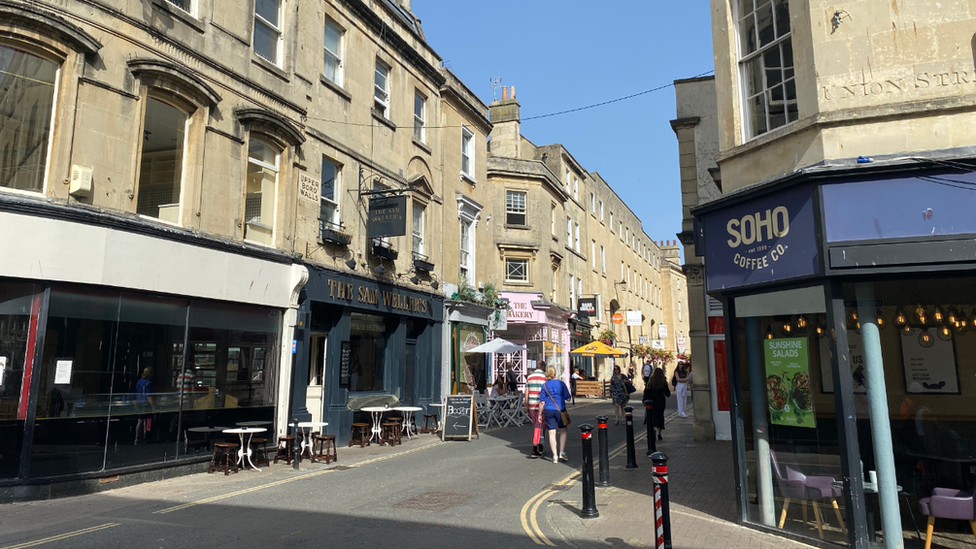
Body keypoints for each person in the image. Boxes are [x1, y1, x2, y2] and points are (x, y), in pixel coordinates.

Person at [539, 366, 571, 463]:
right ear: (555, 373)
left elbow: (542, 402)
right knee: (563, 431)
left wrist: (540, 414)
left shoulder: (544, 385)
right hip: (560, 409)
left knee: (551, 432)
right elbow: (568, 398)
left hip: (548, 410)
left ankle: (555, 456)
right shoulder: (561, 384)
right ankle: (561, 452)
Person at [525, 363, 548, 458]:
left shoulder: (529, 377)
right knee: (541, 425)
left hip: (531, 404)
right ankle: (537, 446)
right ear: (543, 368)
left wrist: (526, 405)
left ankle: (539, 444)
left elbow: (526, 393)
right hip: (542, 404)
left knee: (536, 425)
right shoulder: (545, 378)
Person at [644, 367, 671, 440]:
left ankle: (653, 430)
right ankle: (659, 433)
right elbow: (667, 394)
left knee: (653, 416)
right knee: (660, 416)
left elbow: (647, 391)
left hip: (652, 401)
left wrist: (645, 400)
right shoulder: (663, 382)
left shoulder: (651, 381)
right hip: (661, 401)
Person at [134, 367, 155, 444]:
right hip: (146, 403)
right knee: (148, 420)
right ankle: (147, 436)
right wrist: (153, 407)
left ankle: (137, 437)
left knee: (140, 421)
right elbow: (149, 396)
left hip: (139, 402)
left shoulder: (139, 381)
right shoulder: (149, 383)